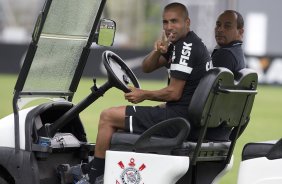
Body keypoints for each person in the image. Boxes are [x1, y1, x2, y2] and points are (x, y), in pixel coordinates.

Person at [66, 2, 211, 184]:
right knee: (117, 125)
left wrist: (143, 94)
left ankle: (92, 176)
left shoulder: (185, 48)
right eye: (165, 22)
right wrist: (157, 51)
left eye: (174, 21)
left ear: (187, 22)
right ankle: (104, 172)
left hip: (178, 119)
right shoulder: (181, 43)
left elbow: (174, 93)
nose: (168, 27)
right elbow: (147, 67)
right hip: (184, 116)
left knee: (108, 116)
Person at [205, 10, 246, 141]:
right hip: (220, 131)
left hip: (204, 130)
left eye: (227, 26)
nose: (220, 29)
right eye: (218, 25)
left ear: (241, 32)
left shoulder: (225, 55)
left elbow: (202, 97)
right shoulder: (237, 53)